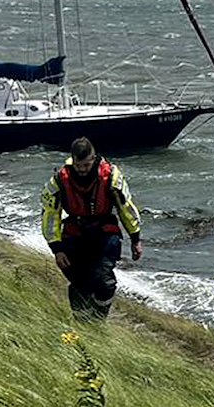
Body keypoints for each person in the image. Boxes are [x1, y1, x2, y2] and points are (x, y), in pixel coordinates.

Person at [41, 137, 144, 320]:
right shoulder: (59, 180)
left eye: (87, 165)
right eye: (79, 165)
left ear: (93, 158)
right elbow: (50, 216)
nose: (82, 170)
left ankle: (98, 319)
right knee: (79, 283)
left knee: (103, 281)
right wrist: (56, 249)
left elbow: (125, 208)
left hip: (104, 233)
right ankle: (82, 323)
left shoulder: (111, 176)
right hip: (75, 233)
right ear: (73, 160)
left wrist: (135, 239)